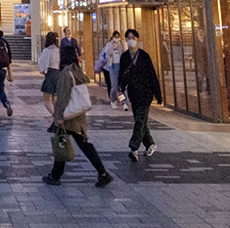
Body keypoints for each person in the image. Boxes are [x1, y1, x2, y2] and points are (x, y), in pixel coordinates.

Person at [42, 42, 112, 187]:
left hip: (68, 114)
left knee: (69, 142)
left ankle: (102, 173)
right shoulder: (77, 72)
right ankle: (56, 174)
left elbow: (62, 96)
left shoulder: (67, 74)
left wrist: (58, 116)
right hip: (78, 113)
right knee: (71, 141)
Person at [118, 29, 160, 160]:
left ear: (137, 39)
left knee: (140, 120)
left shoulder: (144, 56)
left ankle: (134, 147)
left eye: (133, 38)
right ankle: (150, 144)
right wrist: (120, 89)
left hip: (146, 92)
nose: (131, 40)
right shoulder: (124, 57)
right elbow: (122, 75)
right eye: (128, 38)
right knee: (140, 120)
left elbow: (152, 75)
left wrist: (158, 94)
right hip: (133, 92)